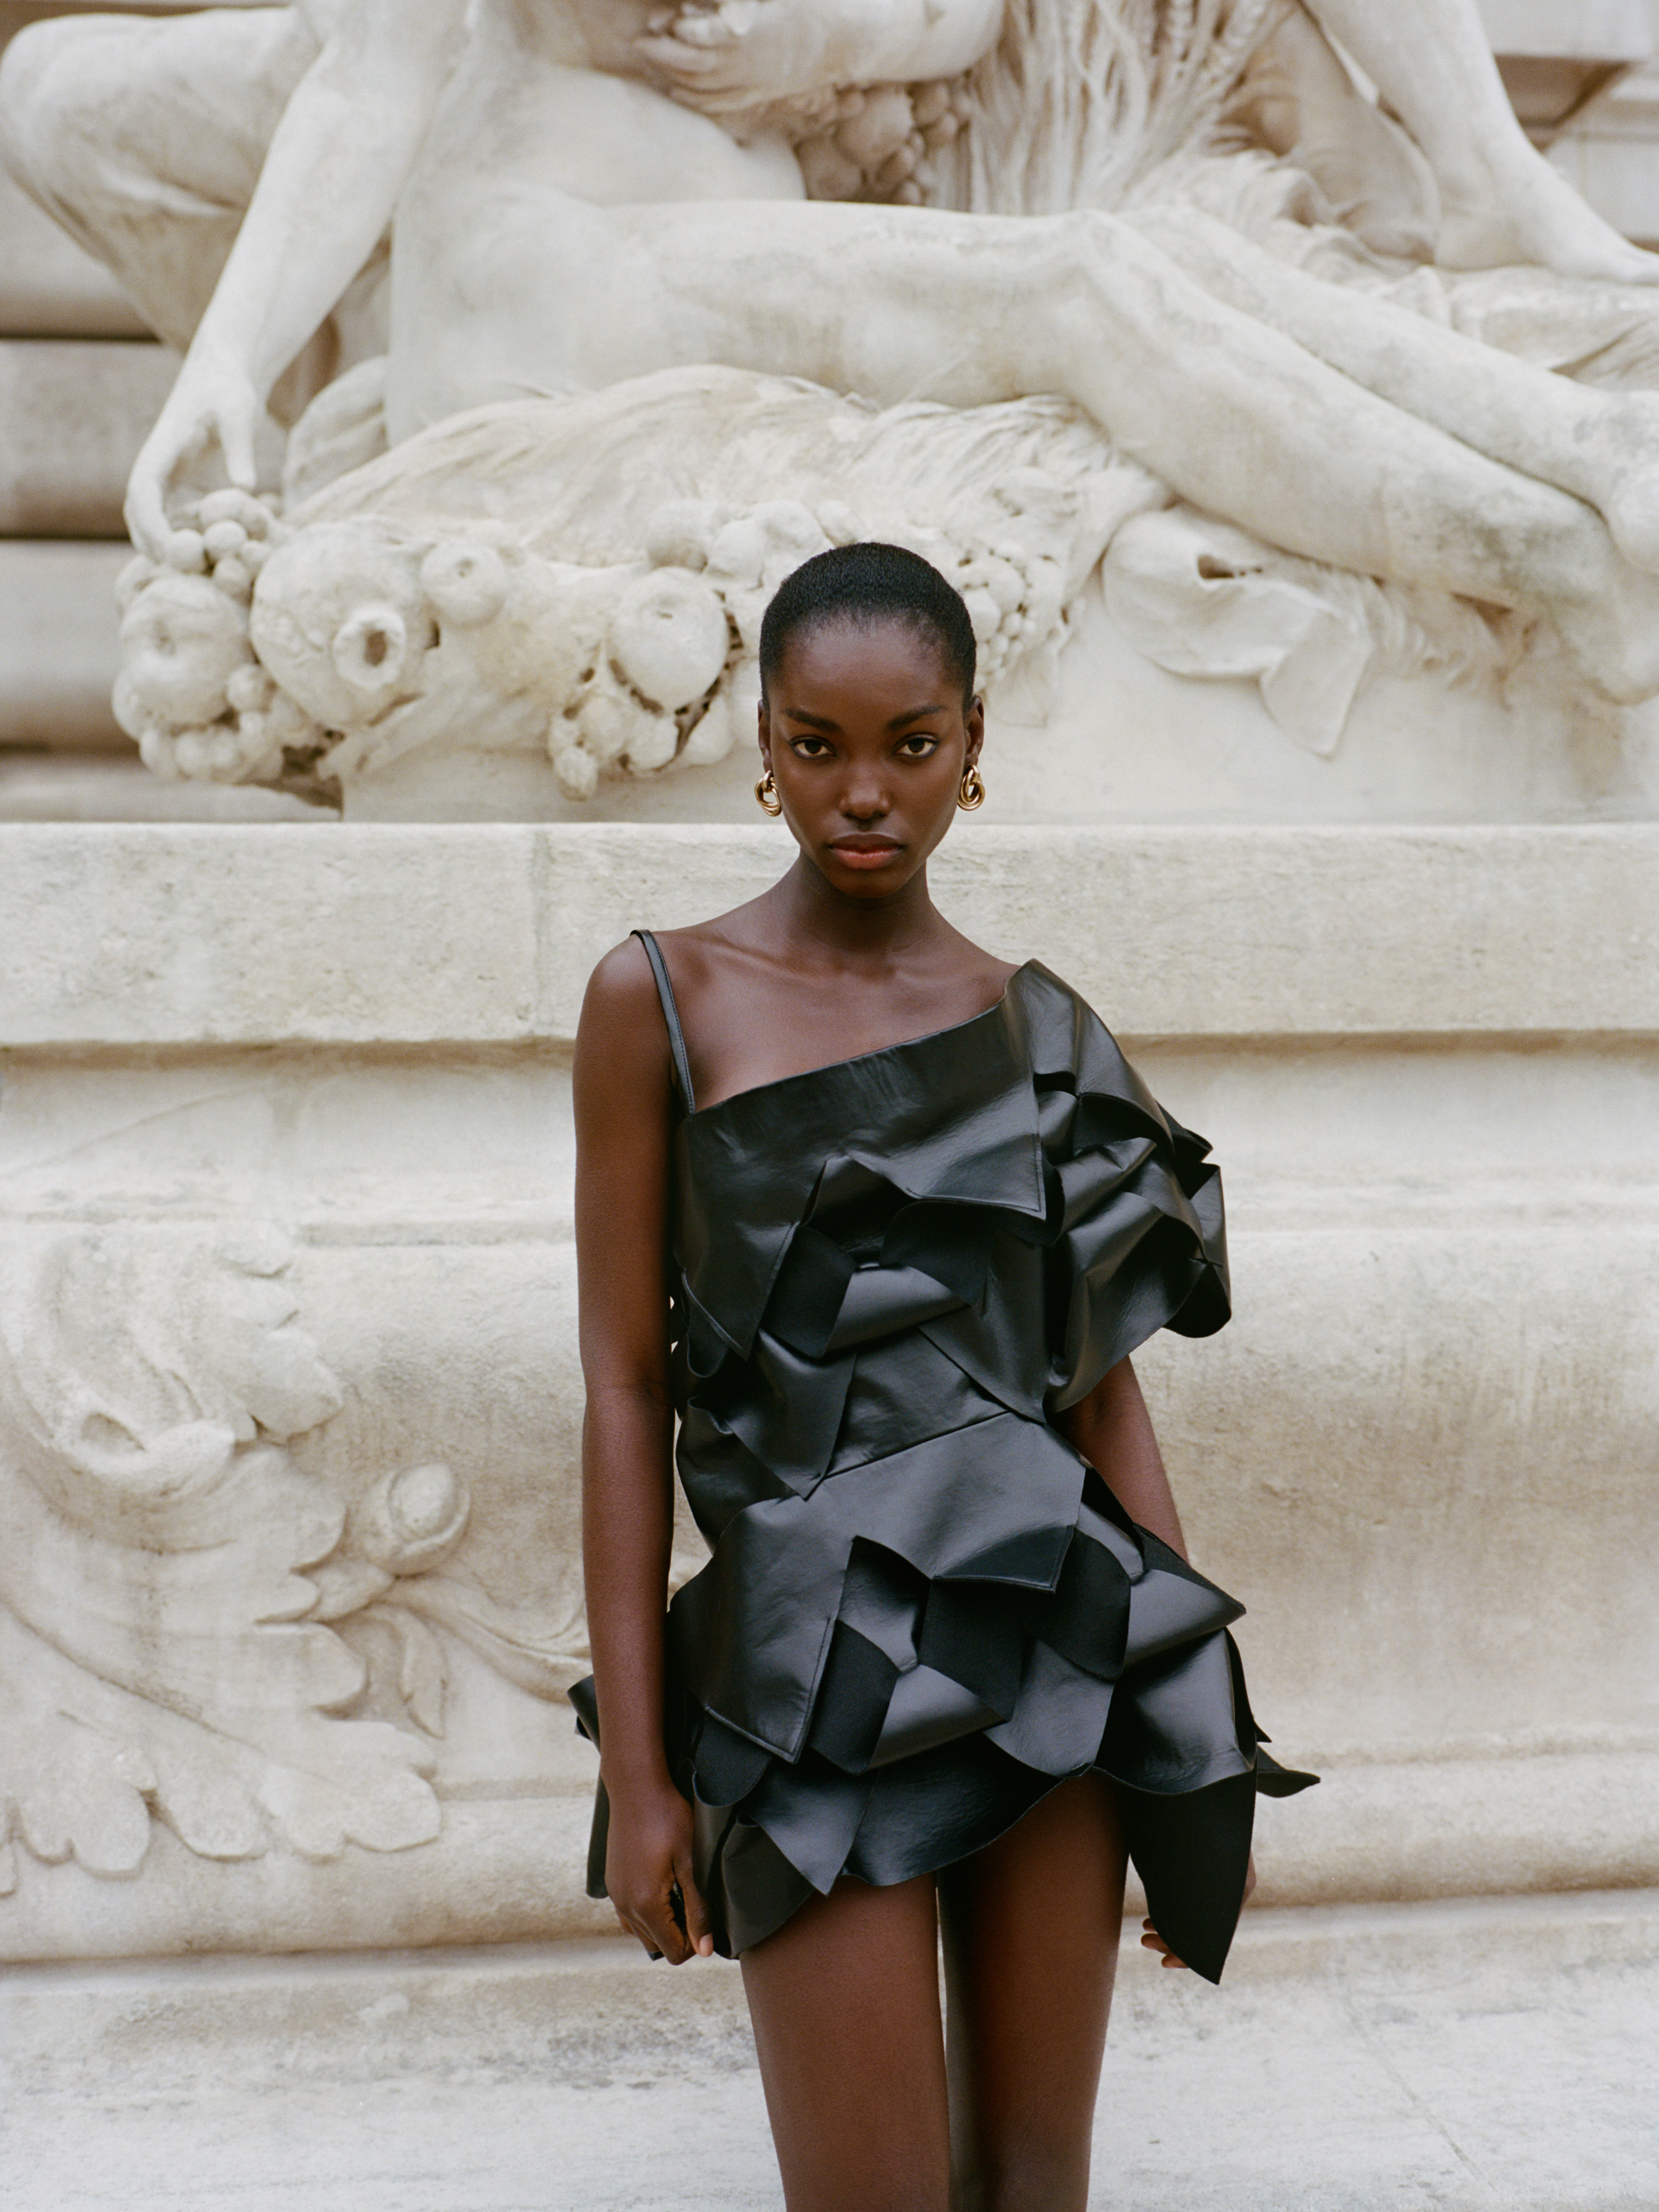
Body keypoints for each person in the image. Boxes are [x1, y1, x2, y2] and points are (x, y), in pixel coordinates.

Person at [570, 540, 1313, 2211]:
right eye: (815, 742)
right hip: (801, 1682)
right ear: (758, 744)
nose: (861, 792)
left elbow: (1103, 1397)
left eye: (908, 743)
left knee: (1032, 2186)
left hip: (1057, 1637)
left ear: (974, 743)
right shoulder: (658, 1002)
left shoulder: (1040, 1032)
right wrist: (638, 1771)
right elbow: (625, 1388)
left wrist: (1199, 1732)